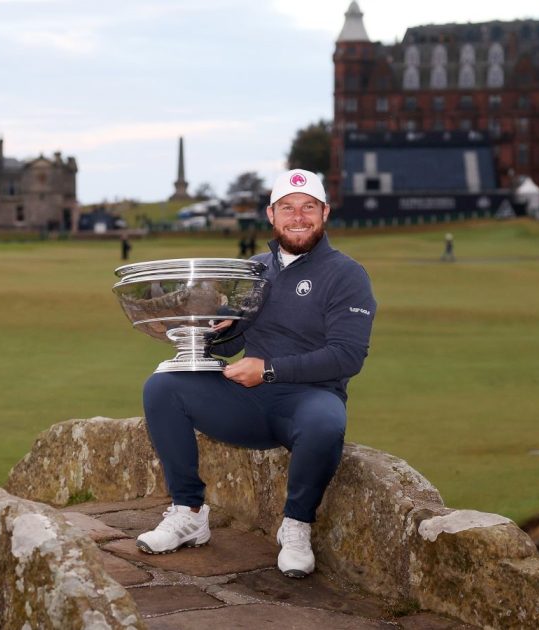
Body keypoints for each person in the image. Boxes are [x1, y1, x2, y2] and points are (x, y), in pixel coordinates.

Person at [137, 168, 377, 578]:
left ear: (325, 212)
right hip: (247, 400)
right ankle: (189, 513)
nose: (298, 217)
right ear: (271, 214)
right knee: (162, 387)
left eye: (308, 208)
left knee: (326, 423)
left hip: (308, 399)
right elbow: (231, 345)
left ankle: (296, 526)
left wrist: (267, 370)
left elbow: (346, 356)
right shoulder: (254, 270)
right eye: (288, 208)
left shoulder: (346, 274)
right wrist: (211, 329)